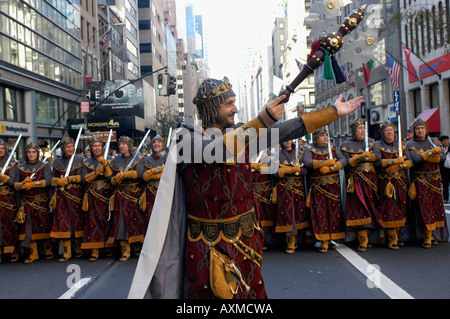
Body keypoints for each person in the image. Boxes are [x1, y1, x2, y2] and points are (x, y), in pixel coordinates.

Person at [129, 77, 363, 299]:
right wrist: (263, 120)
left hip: (246, 236)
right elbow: (217, 151)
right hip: (207, 244)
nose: (235, 109)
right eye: (229, 104)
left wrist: (332, 113)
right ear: (212, 107)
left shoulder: (241, 134)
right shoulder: (186, 139)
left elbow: (285, 131)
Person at [340, 118, 381, 252]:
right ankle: (361, 237)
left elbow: (378, 157)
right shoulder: (346, 145)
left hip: (371, 180)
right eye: (359, 128)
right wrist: (360, 157)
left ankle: (371, 237)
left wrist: (371, 156)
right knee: (359, 209)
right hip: (356, 181)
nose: (362, 130)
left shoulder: (370, 142)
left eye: (363, 128)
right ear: (353, 131)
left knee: (372, 207)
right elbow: (346, 163)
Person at [303, 128, 346, 253]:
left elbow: (343, 160)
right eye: (322, 136)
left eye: (326, 135)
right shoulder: (309, 149)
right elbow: (306, 162)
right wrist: (323, 163)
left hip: (333, 186)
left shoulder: (333, 148)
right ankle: (323, 240)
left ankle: (332, 238)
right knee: (320, 213)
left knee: (333, 213)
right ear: (316, 138)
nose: (325, 138)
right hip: (318, 187)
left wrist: (333, 167)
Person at [407, 119, 447, 248]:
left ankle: (434, 234)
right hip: (420, 181)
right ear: (414, 130)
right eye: (418, 128)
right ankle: (426, 236)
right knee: (423, 209)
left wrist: (433, 156)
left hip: (434, 180)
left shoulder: (433, 142)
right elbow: (416, 159)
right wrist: (431, 153)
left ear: (426, 130)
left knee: (436, 208)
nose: (420, 131)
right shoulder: (409, 144)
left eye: (422, 128)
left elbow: (442, 157)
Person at [374, 121, 413, 250]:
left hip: (401, 181)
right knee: (389, 208)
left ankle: (398, 234)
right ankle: (391, 237)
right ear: (382, 133)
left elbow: (410, 161)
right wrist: (393, 162)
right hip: (385, 182)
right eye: (386, 130)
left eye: (391, 130)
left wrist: (402, 165)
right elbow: (378, 162)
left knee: (401, 206)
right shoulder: (377, 145)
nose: (389, 132)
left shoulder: (402, 145)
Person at [107, 136, 146, 261]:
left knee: (136, 221)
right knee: (121, 222)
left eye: (124, 144)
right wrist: (114, 178)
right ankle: (125, 250)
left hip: (134, 194)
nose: (121, 146)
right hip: (121, 195)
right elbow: (111, 179)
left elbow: (140, 174)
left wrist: (125, 174)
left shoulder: (138, 159)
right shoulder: (115, 161)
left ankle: (137, 248)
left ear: (129, 145)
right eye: (120, 144)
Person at [14, 143, 52, 263]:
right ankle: (33, 252)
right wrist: (22, 184)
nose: (31, 154)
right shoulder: (19, 167)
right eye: (29, 152)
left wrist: (34, 184)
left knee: (43, 225)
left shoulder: (44, 166)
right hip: (26, 203)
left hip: (41, 201)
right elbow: (15, 184)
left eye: (34, 152)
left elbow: (48, 181)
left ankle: (47, 250)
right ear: (26, 154)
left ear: (38, 153)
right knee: (29, 228)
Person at [50, 137, 85, 262]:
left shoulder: (80, 160)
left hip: (76, 195)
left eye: (71, 146)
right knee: (63, 221)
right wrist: (58, 181)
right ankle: (67, 251)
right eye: (67, 147)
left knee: (77, 221)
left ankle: (78, 249)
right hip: (62, 196)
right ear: (63, 149)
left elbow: (83, 177)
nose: (70, 149)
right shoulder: (57, 162)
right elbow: (51, 178)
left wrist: (71, 179)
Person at [81, 136, 114, 261]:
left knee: (107, 219)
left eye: (99, 146)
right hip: (93, 194)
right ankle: (95, 249)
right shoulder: (85, 162)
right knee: (93, 222)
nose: (97, 148)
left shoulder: (110, 160)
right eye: (94, 146)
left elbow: (111, 178)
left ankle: (108, 247)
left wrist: (105, 164)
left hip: (106, 193)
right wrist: (96, 172)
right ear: (91, 148)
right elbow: (84, 179)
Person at [272, 140, 306, 254]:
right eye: (285, 139)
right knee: (287, 215)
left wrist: (300, 170)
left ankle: (299, 240)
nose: (288, 141)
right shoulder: (276, 155)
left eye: (290, 139)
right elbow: (274, 173)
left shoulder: (300, 153)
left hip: (298, 188)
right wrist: (288, 170)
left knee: (298, 214)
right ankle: (289, 241)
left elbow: (307, 170)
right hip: (283, 189)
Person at [142, 135, 167, 232]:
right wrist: (159, 172)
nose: (156, 144)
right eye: (154, 142)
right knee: (151, 219)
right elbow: (144, 177)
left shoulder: (168, 158)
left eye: (159, 142)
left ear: (163, 145)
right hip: (151, 194)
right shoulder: (146, 160)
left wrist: (152, 173)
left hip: (165, 193)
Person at [0, 139, 19, 262]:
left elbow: (13, 181)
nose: (0, 151)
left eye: (2, 148)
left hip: (8, 198)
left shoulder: (12, 163)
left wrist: (2, 176)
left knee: (10, 225)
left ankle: (12, 251)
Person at [439, 135, 449, 204]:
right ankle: (445, 198)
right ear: (441, 142)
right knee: (445, 185)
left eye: (447, 140)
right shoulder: (439, 149)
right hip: (444, 169)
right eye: (444, 141)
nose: (446, 142)